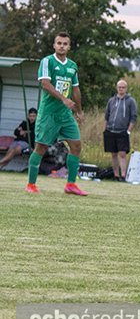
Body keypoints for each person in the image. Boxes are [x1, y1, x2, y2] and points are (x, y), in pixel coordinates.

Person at [25, 32, 88, 196]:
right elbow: (46, 84)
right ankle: (31, 184)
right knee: (41, 147)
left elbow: (75, 89)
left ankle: (71, 184)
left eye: (65, 43)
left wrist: (79, 112)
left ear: (69, 46)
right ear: (54, 45)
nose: (62, 46)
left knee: (76, 146)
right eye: (59, 43)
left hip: (65, 115)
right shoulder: (47, 61)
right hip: (49, 114)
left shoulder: (72, 66)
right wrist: (63, 99)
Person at [103, 80, 137, 182]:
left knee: (122, 153)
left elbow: (133, 117)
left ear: (126, 88)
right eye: (119, 87)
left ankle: (123, 175)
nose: (121, 89)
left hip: (122, 131)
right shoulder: (112, 100)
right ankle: (116, 175)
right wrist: (104, 130)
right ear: (117, 88)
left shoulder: (130, 101)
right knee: (113, 153)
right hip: (111, 130)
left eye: (123, 87)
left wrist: (128, 130)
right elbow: (106, 116)